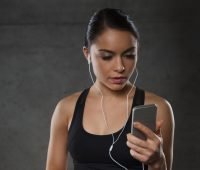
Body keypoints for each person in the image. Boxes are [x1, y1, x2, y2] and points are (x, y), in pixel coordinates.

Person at [46, 8, 174, 170]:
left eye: (129, 55)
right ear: (88, 54)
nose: (120, 67)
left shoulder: (158, 108)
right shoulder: (66, 108)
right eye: (107, 57)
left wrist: (158, 162)